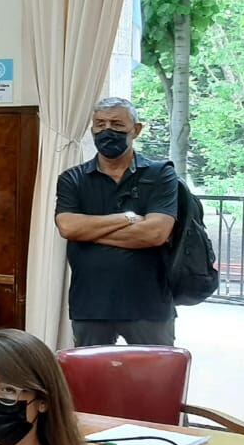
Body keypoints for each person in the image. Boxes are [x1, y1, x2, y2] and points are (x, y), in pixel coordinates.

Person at [55, 97, 178, 346]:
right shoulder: (73, 178)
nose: (107, 130)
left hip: (149, 305)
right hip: (90, 305)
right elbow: (67, 226)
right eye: (99, 124)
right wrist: (128, 218)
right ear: (92, 130)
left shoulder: (161, 173)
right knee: (90, 382)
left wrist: (88, 231)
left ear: (136, 129)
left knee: (153, 381)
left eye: (117, 124)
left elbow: (155, 233)